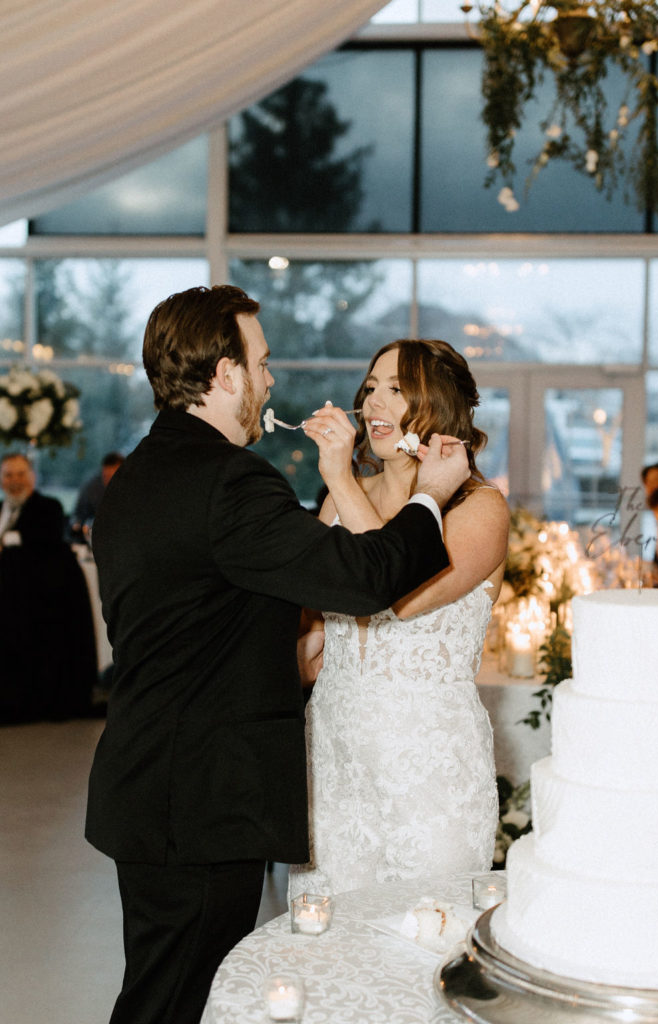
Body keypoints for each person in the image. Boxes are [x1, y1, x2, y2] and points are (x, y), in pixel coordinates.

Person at [85, 285, 472, 1024]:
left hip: (155, 786)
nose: (271, 381)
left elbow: (202, 617)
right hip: (198, 803)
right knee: (174, 1001)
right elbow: (364, 579)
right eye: (260, 364)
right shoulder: (228, 480)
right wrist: (428, 498)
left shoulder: (138, 473)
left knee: (167, 990)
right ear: (225, 375)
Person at [289, 338, 510, 899]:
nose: (374, 404)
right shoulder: (339, 504)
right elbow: (316, 629)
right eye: (370, 389)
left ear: (437, 408)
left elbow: (395, 594)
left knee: (424, 942)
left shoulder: (479, 509)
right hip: (334, 763)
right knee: (326, 948)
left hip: (428, 773)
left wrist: (337, 475)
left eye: (397, 390)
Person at [0, 453, 97, 721]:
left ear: (32, 477)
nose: (14, 481)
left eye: (20, 474)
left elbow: (42, 539)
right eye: (8, 475)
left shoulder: (48, 507)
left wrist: (8, 539)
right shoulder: (1, 509)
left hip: (38, 601)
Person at [70, 451, 125, 542]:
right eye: (105, 476)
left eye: (114, 476)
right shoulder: (92, 488)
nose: (109, 481)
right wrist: (77, 524)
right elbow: (78, 514)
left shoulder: (133, 492)